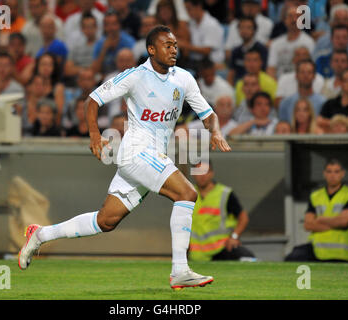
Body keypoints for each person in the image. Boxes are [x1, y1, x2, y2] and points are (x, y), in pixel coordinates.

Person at [18, 25, 232, 290]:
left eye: (175, 44)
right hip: (136, 152)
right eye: (167, 45)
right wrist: (95, 135)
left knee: (106, 221)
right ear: (151, 50)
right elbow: (93, 100)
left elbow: (208, 113)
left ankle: (39, 234)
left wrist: (216, 131)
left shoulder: (184, 79)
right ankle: (180, 270)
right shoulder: (135, 76)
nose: (173, 49)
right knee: (187, 194)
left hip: (152, 156)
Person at [285, 159, 348, 263]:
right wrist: (335, 223)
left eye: (336, 172)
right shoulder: (316, 196)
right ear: (324, 174)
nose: (332, 175)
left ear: (342, 174)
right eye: (329, 171)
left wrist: (320, 219)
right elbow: (308, 225)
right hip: (317, 249)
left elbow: (344, 222)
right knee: (293, 257)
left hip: (342, 253)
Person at [189, 161, 255, 261]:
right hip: (195, 255)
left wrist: (234, 237)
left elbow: (243, 217)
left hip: (223, 250)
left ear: (212, 173)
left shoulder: (225, 193)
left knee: (248, 258)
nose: (202, 175)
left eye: (205, 171)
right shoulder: (188, 193)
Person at [267, 5, 315, 80]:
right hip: (279, 83)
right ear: (285, 20)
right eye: (290, 16)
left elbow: (312, 67)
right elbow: (271, 69)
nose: (294, 20)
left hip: (302, 82)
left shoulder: (309, 42)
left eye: (297, 16)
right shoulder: (276, 43)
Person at [91, 10, 135, 77]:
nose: (111, 28)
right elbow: (94, 71)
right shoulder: (100, 43)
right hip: (105, 80)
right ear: (104, 27)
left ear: (119, 25)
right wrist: (104, 50)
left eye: (114, 24)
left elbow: (135, 66)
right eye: (107, 25)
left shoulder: (129, 41)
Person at [182, 0, 225, 69]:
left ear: (198, 6)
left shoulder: (211, 24)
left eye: (189, 9)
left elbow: (207, 50)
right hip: (195, 63)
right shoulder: (191, 23)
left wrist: (184, 45)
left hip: (212, 64)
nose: (188, 12)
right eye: (186, 9)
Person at [227, 16, 268, 86]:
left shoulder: (262, 50)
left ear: (254, 30)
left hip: (256, 85)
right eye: (242, 27)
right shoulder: (235, 51)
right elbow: (231, 73)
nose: (244, 30)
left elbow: (265, 72)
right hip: (238, 85)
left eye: (248, 28)